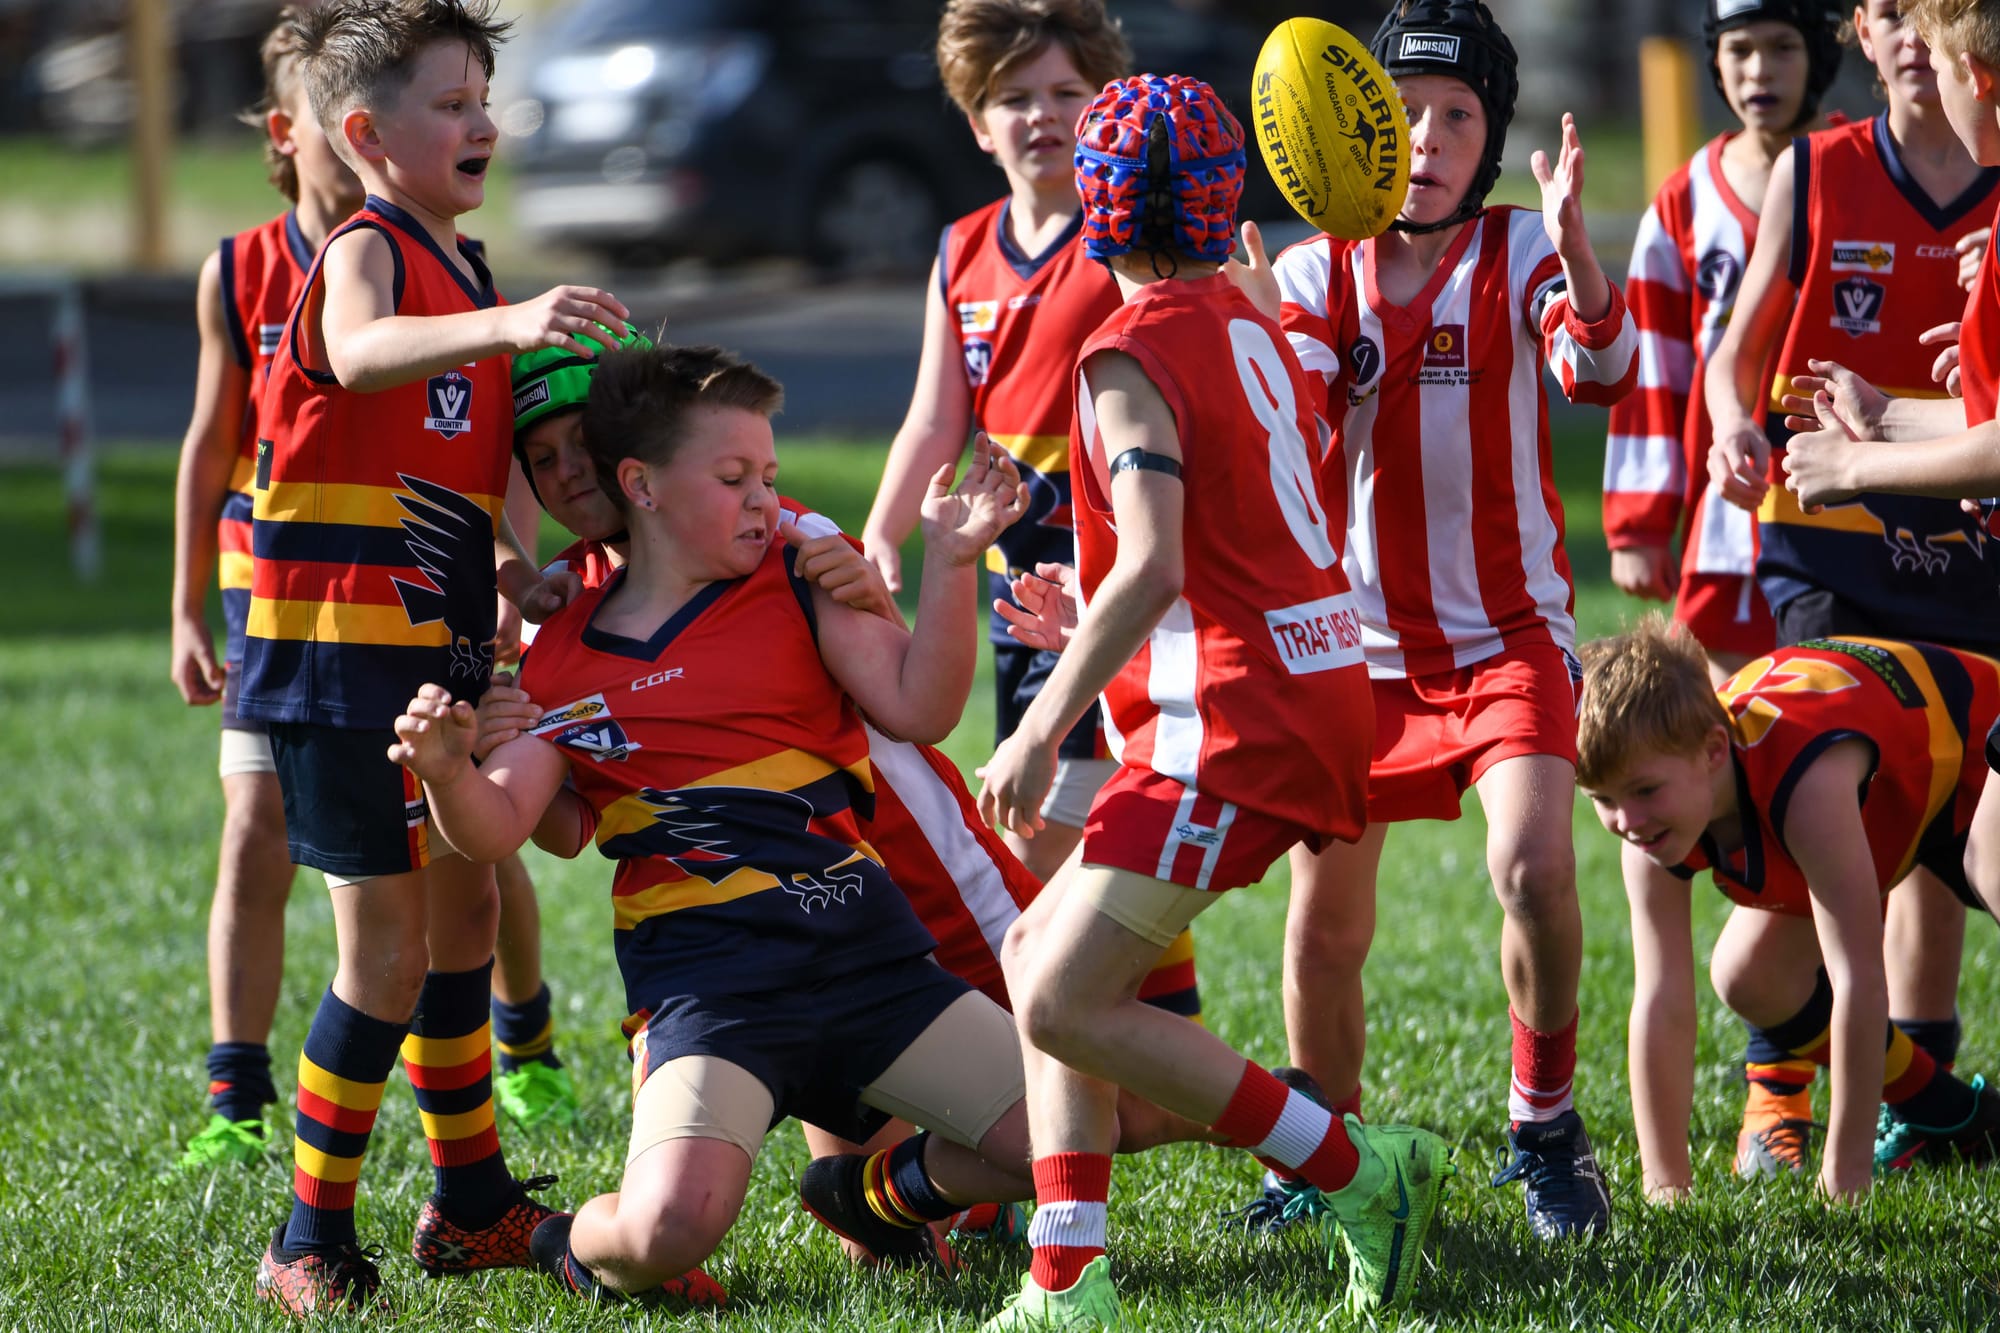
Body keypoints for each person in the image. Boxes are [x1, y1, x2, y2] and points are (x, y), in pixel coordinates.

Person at [388, 343, 1044, 1301]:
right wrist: (453, 770)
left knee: (1070, 1134)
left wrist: (943, 560)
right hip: (712, 984)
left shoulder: (791, 556)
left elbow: (919, 705)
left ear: (633, 465)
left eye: (582, 445)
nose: (568, 474)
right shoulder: (559, 635)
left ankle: (883, 1193)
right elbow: (531, 827)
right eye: (542, 459)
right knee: (667, 1229)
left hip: (865, 953)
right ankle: (574, 1240)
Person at [977, 74, 1451, 1327]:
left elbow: (1154, 564)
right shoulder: (1246, 315)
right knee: (1034, 954)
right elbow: (1241, 534)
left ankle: (1359, 1169)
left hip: (1236, 720)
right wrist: (1096, 622)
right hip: (1302, 679)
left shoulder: (1126, 349)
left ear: (1097, 209)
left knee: (1060, 998)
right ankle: (1067, 1273)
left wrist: (1038, 724)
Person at [233, 0, 630, 1314]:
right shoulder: (369, 250)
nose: (483, 125)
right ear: (365, 135)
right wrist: (510, 326)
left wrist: (514, 570)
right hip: (338, 664)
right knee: (386, 958)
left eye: (484, 101)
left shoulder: (466, 270)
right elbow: (355, 355)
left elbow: (457, 474)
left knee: (467, 921)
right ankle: (306, 1236)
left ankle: (469, 1204)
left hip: (439, 661)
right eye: (451, 104)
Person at [1256, 0, 1635, 1239]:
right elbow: (1293, 439)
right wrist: (1274, 354)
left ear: (1493, 138)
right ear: (1353, 126)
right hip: (1353, 651)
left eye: (1456, 116)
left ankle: (1545, 1127)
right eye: (1400, 113)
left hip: (1506, 636)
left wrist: (1580, 254)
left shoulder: (1520, 252)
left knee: (1531, 868)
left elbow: (1596, 372)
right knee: (1323, 925)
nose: (1424, 139)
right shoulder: (1311, 269)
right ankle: (1322, 1151)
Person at [1702, 0, 2000, 1181]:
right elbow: (1735, 351)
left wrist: (1882, 440)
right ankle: (1780, 1083)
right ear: (1860, 35)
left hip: (1963, 532)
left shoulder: (1991, 178)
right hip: (1825, 534)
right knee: (1817, 793)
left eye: (1932, 13)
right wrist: (1735, 425)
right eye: (1888, 10)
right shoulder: (1820, 170)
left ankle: (1924, 1083)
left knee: (1938, 817)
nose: (1913, 37)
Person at [861, 5, 1205, 1024]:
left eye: (1066, 94)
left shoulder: (1124, 242)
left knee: (1068, 820)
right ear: (977, 122)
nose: (1042, 116)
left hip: (1110, 579)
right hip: (1021, 597)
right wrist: (881, 528)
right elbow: (936, 416)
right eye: (1014, 98)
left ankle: (1101, 1033)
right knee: (1074, 824)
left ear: (1104, 108)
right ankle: (1151, 1029)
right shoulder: (962, 247)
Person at [1576, 616, 2000, 1200]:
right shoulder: (1657, 803)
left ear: (1713, 751)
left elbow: (1859, 980)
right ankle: (1953, 1114)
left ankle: (1934, 1116)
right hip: (1905, 789)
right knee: (1750, 975)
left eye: (1646, 791)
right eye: (1602, 799)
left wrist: (1844, 1180)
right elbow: (1660, 998)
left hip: (1975, 754)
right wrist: (1664, 1187)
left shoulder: (1806, 785)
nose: (1627, 821)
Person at [167, 7, 364, 1171]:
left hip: (400, 606)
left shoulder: (431, 264)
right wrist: (186, 608)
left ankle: (520, 1041)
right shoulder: (239, 271)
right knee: (255, 831)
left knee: (459, 854)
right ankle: (235, 1094)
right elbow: (209, 446)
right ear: (286, 134)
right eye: (339, 122)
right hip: (272, 609)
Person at [1603, 0, 1846, 686]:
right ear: (1714, 60)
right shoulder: (1684, 199)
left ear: (1820, 53)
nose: (1759, 70)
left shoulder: (1865, 170)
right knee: (1731, 713)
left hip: (1850, 509)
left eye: (1782, 47)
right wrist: (1639, 524)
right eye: (1740, 50)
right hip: (1729, 519)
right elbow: (1653, 368)